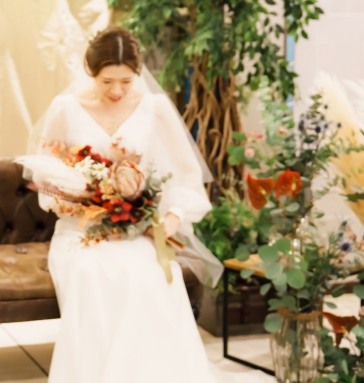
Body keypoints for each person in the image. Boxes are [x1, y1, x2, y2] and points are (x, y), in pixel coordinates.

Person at [18, 26, 223, 382]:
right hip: (81, 230)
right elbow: (46, 176)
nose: (116, 91)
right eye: (106, 81)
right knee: (90, 273)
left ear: (138, 73)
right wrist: (78, 201)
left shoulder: (154, 108)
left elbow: (188, 175)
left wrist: (171, 219)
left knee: (151, 273)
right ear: (90, 72)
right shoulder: (66, 109)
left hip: (137, 230)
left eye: (126, 82)